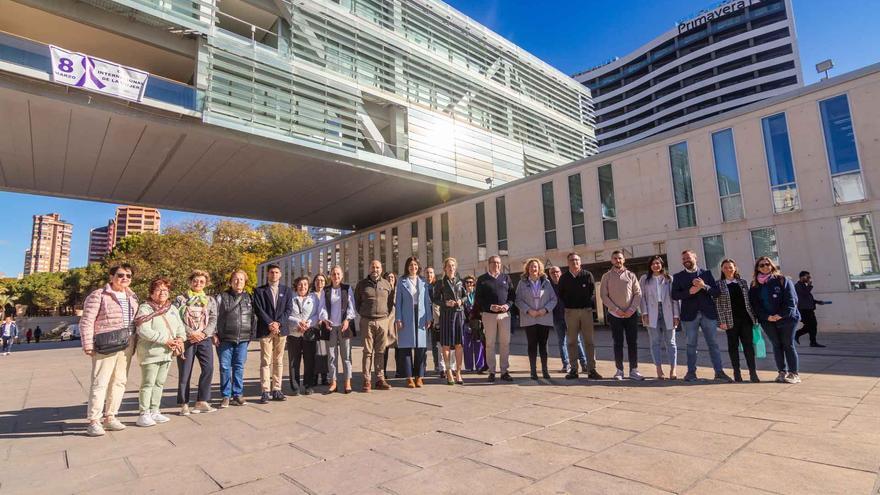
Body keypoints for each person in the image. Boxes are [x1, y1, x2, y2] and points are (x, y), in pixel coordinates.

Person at [80, 263, 138, 437]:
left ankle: (110, 416)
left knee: (119, 381)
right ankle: (94, 420)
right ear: (111, 277)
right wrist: (88, 344)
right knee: (100, 382)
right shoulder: (99, 295)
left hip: (126, 343)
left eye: (128, 275)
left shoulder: (132, 297)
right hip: (106, 343)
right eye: (120, 275)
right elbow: (87, 321)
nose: (125, 278)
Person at [672, 250, 732, 383]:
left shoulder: (706, 273)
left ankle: (719, 372)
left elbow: (716, 293)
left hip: (708, 314)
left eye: (688, 257)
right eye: (683, 259)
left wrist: (703, 286)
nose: (685, 260)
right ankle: (691, 372)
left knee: (713, 344)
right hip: (689, 316)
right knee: (691, 345)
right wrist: (689, 291)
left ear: (695, 258)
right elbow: (674, 295)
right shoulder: (678, 276)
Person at [134, 277, 185, 427]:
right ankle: (144, 413)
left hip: (167, 352)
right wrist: (165, 340)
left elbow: (180, 327)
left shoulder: (172, 309)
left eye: (165, 290)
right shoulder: (145, 308)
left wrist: (180, 339)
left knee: (160, 383)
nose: (162, 293)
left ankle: (155, 410)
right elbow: (143, 330)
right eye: (158, 290)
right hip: (150, 353)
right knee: (148, 383)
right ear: (151, 293)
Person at [749, 257, 801, 384]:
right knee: (776, 345)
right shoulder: (754, 284)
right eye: (761, 265)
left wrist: (780, 315)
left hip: (787, 319)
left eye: (767, 264)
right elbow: (755, 304)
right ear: (757, 268)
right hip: (767, 320)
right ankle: (781, 372)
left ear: (772, 266)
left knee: (787, 344)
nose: (765, 267)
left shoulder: (783, 280)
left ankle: (794, 373)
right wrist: (767, 317)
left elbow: (791, 301)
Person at [175, 270, 218, 415]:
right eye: (195, 280)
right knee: (185, 372)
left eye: (201, 281)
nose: (198, 283)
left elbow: (213, 318)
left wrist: (204, 333)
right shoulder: (181, 299)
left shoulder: (209, 300)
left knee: (209, 368)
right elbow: (177, 319)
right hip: (187, 340)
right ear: (190, 281)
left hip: (204, 339)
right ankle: (184, 403)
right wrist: (190, 333)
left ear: (206, 284)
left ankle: (202, 400)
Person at [600, 250, 643, 381]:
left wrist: (631, 309)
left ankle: (634, 370)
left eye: (620, 258)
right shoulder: (606, 276)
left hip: (631, 314)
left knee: (632, 342)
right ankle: (619, 371)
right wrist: (616, 309)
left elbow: (638, 293)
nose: (618, 260)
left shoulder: (631, 275)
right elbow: (603, 295)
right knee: (618, 343)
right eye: (615, 258)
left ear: (624, 260)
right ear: (611, 260)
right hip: (615, 315)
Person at [253, 264, 294, 404]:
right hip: (266, 330)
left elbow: (289, 309)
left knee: (279, 360)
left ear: (280, 274)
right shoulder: (259, 291)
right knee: (265, 361)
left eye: (277, 272)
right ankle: (265, 391)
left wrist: (278, 324)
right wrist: (270, 323)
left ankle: (277, 389)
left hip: (281, 331)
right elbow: (258, 310)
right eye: (272, 272)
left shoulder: (287, 291)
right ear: (267, 274)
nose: (274, 275)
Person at [215, 269, 256, 407]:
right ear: (231, 281)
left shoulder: (249, 297)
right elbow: (214, 316)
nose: (238, 282)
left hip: (243, 338)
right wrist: (214, 334)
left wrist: (251, 335)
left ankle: (237, 394)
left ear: (245, 282)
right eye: (236, 279)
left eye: (241, 279)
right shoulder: (222, 297)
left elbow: (253, 318)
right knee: (225, 367)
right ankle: (226, 396)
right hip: (225, 338)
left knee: (239, 367)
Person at [558, 252, 602, 380]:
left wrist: (586, 305)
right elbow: (560, 295)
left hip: (586, 311)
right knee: (572, 342)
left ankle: (591, 370)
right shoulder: (564, 278)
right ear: (568, 263)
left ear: (580, 262)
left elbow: (592, 292)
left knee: (589, 342)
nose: (574, 262)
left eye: (577, 260)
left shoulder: (587, 275)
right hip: (570, 312)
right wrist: (568, 306)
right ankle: (573, 370)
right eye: (572, 260)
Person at [715, 259, 759, 383]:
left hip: (745, 319)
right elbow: (718, 305)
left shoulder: (743, 282)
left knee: (748, 347)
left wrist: (754, 318)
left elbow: (749, 301)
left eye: (730, 267)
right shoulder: (719, 284)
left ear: (735, 268)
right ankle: (737, 373)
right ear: (722, 270)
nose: (728, 269)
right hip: (730, 321)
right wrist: (721, 322)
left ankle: (753, 373)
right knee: (733, 347)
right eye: (725, 267)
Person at [355, 259, 395, 392]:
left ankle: (379, 379)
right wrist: (364, 313)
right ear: (369, 269)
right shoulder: (362, 285)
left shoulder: (386, 284)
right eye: (373, 267)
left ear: (381, 269)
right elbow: (357, 302)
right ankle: (367, 380)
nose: (375, 270)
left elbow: (390, 303)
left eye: (377, 267)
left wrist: (385, 316)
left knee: (380, 351)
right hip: (367, 321)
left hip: (383, 321)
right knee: (367, 352)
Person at [515, 258, 557, 380]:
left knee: (543, 345)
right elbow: (518, 300)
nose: (534, 269)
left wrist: (545, 310)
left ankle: (545, 370)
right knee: (532, 345)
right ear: (527, 269)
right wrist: (528, 310)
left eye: (536, 267)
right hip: (530, 318)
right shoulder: (522, 283)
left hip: (544, 317)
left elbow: (553, 299)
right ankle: (533, 371)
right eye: (531, 266)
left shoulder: (547, 282)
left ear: (539, 269)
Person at [638, 256, 679, 380]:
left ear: (662, 265)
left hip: (668, 311)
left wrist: (676, 315)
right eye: (653, 264)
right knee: (655, 342)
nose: (656, 265)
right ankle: (659, 369)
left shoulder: (669, 279)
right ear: (650, 266)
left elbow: (675, 298)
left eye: (658, 263)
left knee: (671, 342)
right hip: (652, 312)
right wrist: (644, 313)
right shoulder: (645, 279)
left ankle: (673, 369)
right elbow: (642, 297)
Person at [475, 255, 515, 382]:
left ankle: (504, 371)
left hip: (504, 315)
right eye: (494, 263)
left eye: (498, 263)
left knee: (505, 343)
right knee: (490, 344)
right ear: (489, 263)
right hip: (488, 315)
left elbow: (512, 296)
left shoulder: (506, 278)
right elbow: (478, 299)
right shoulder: (482, 279)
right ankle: (491, 371)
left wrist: (507, 306)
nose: (497, 265)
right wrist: (490, 306)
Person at [394, 257, 433, 388]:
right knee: (405, 347)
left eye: (415, 265)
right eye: (411, 265)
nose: (413, 267)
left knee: (421, 347)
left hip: (421, 315)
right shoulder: (401, 281)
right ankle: (409, 377)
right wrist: (398, 318)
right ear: (407, 267)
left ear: (418, 267)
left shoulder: (423, 281)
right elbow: (398, 301)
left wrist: (429, 317)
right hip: (406, 315)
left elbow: (427, 301)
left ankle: (419, 377)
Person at [320, 266, 357, 394]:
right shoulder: (326, 290)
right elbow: (322, 307)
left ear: (342, 276)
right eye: (334, 274)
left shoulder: (347, 289)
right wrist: (325, 319)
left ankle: (347, 381)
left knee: (346, 355)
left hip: (344, 326)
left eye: (338, 274)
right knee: (331, 356)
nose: (336, 276)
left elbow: (352, 307)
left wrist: (347, 320)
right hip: (330, 327)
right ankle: (333, 382)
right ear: (330, 276)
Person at [549, 264, 589, 375]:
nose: (555, 274)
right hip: (557, 318)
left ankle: (584, 364)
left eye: (557, 271)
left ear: (560, 272)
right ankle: (566, 364)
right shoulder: (548, 287)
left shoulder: (566, 282)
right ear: (550, 275)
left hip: (570, 317)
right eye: (552, 272)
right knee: (561, 341)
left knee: (577, 340)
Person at [434, 257, 466, 385]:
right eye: (449, 266)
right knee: (446, 345)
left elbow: (465, 296)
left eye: (453, 265)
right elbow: (435, 299)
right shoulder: (440, 283)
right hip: (446, 315)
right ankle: (448, 371)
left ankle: (458, 372)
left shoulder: (460, 282)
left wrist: (460, 301)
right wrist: (445, 303)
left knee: (459, 344)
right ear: (445, 268)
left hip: (459, 315)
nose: (451, 268)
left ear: (455, 267)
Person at [288, 276, 322, 396]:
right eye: (300, 284)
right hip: (294, 333)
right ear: (296, 286)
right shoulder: (290, 298)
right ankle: (295, 387)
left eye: (305, 284)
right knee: (294, 361)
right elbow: (286, 314)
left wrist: (307, 323)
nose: (303, 287)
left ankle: (309, 385)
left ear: (308, 286)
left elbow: (318, 314)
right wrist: (298, 322)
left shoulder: (314, 298)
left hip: (309, 333)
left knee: (309, 361)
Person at [795, 271, 829, 347]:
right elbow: (804, 294)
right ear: (801, 277)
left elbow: (807, 298)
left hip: (809, 309)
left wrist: (817, 302)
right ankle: (797, 334)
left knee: (812, 325)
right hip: (803, 310)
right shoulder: (797, 286)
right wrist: (809, 286)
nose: (809, 279)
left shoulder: (804, 286)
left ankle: (812, 342)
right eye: (807, 277)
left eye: (809, 277)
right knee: (810, 325)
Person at [461, 275, 485, 373]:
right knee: (467, 345)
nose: (469, 284)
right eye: (467, 282)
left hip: (477, 322)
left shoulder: (477, 295)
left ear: (474, 284)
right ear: (464, 284)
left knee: (478, 344)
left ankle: (479, 366)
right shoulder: (462, 295)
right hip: (466, 323)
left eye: (471, 282)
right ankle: (469, 366)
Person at [311, 273, 330, 385]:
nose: (320, 282)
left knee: (324, 353)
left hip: (325, 326)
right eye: (317, 280)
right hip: (314, 327)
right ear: (314, 282)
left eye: (322, 280)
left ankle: (324, 377)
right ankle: (314, 377)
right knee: (314, 353)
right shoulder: (311, 295)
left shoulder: (327, 294)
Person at [425, 267, 443, 375]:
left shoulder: (438, 286)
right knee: (423, 343)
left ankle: (437, 365)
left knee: (436, 343)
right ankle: (423, 365)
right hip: (424, 317)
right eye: (427, 273)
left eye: (431, 273)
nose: (429, 275)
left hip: (436, 317)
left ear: (434, 274)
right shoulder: (422, 285)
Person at [382, 272, 400, 379]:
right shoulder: (383, 290)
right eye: (388, 277)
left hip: (396, 321)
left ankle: (399, 370)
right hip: (386, 321)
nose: (390, 279)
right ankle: (383, 371)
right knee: (384, 348)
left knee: (398, 348)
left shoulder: (398, 290)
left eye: (392, 277)